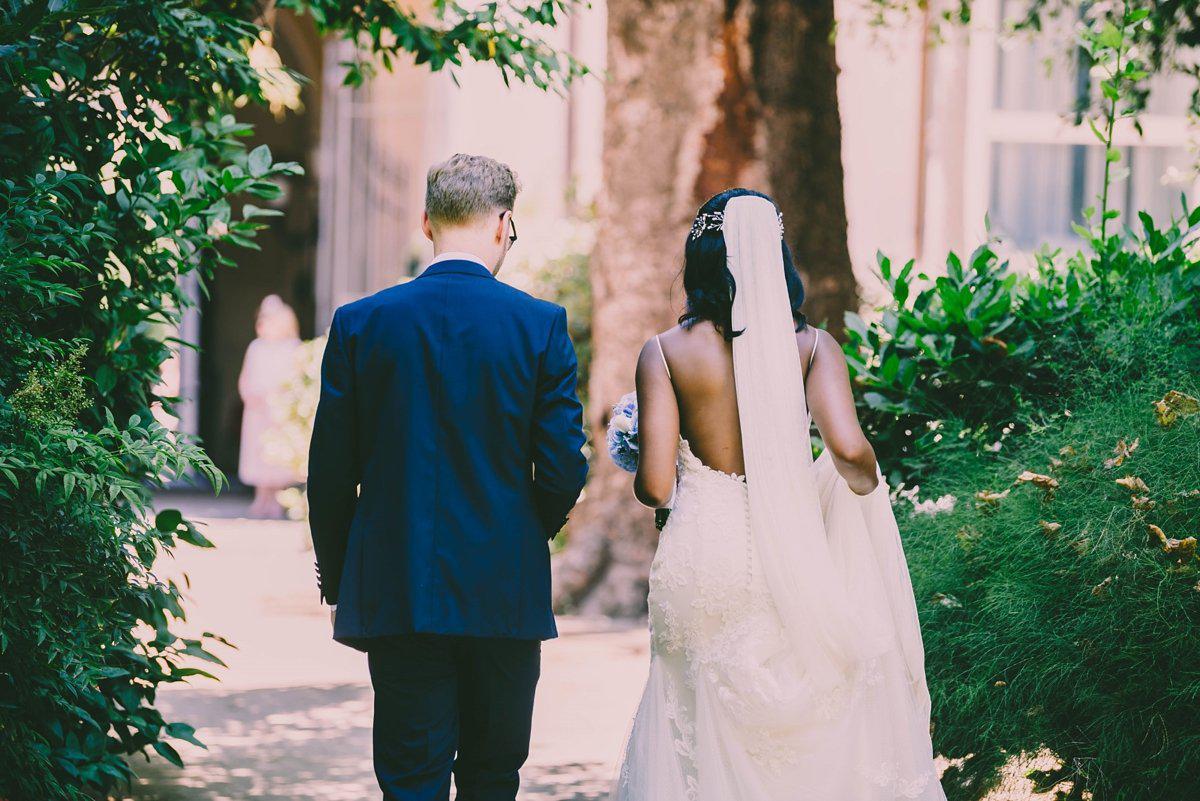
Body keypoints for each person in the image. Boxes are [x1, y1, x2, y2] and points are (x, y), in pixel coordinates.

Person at [612, 190, 946, 800]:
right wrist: (864, 489)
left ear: (702, 256)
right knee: (799, 722)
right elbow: (849, 452)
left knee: (690, 720)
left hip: (700, 558)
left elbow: (656, 487)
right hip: (785, 549)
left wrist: (637, 448)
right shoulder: (813, 348)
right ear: (776, 257)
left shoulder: (663, 351)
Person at [307, 153, 589, 801]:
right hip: (504, 594)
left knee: (410, 781)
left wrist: (337, 566)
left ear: (426, 223)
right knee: (492, 776)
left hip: (399, 588)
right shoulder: (539, 325)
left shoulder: (361, 324)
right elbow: (565, 465)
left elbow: (329, 471)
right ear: (502, 225)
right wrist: (520, 532)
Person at [237, 294, 303, 519]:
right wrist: (249, 395)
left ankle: (276, 497)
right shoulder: (256, 347)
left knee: (276, 452)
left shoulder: (292, 347)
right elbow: (245, 377)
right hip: (257, 409)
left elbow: (295, 380)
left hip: (279, 410)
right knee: (256, 450)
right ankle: (261, 496)